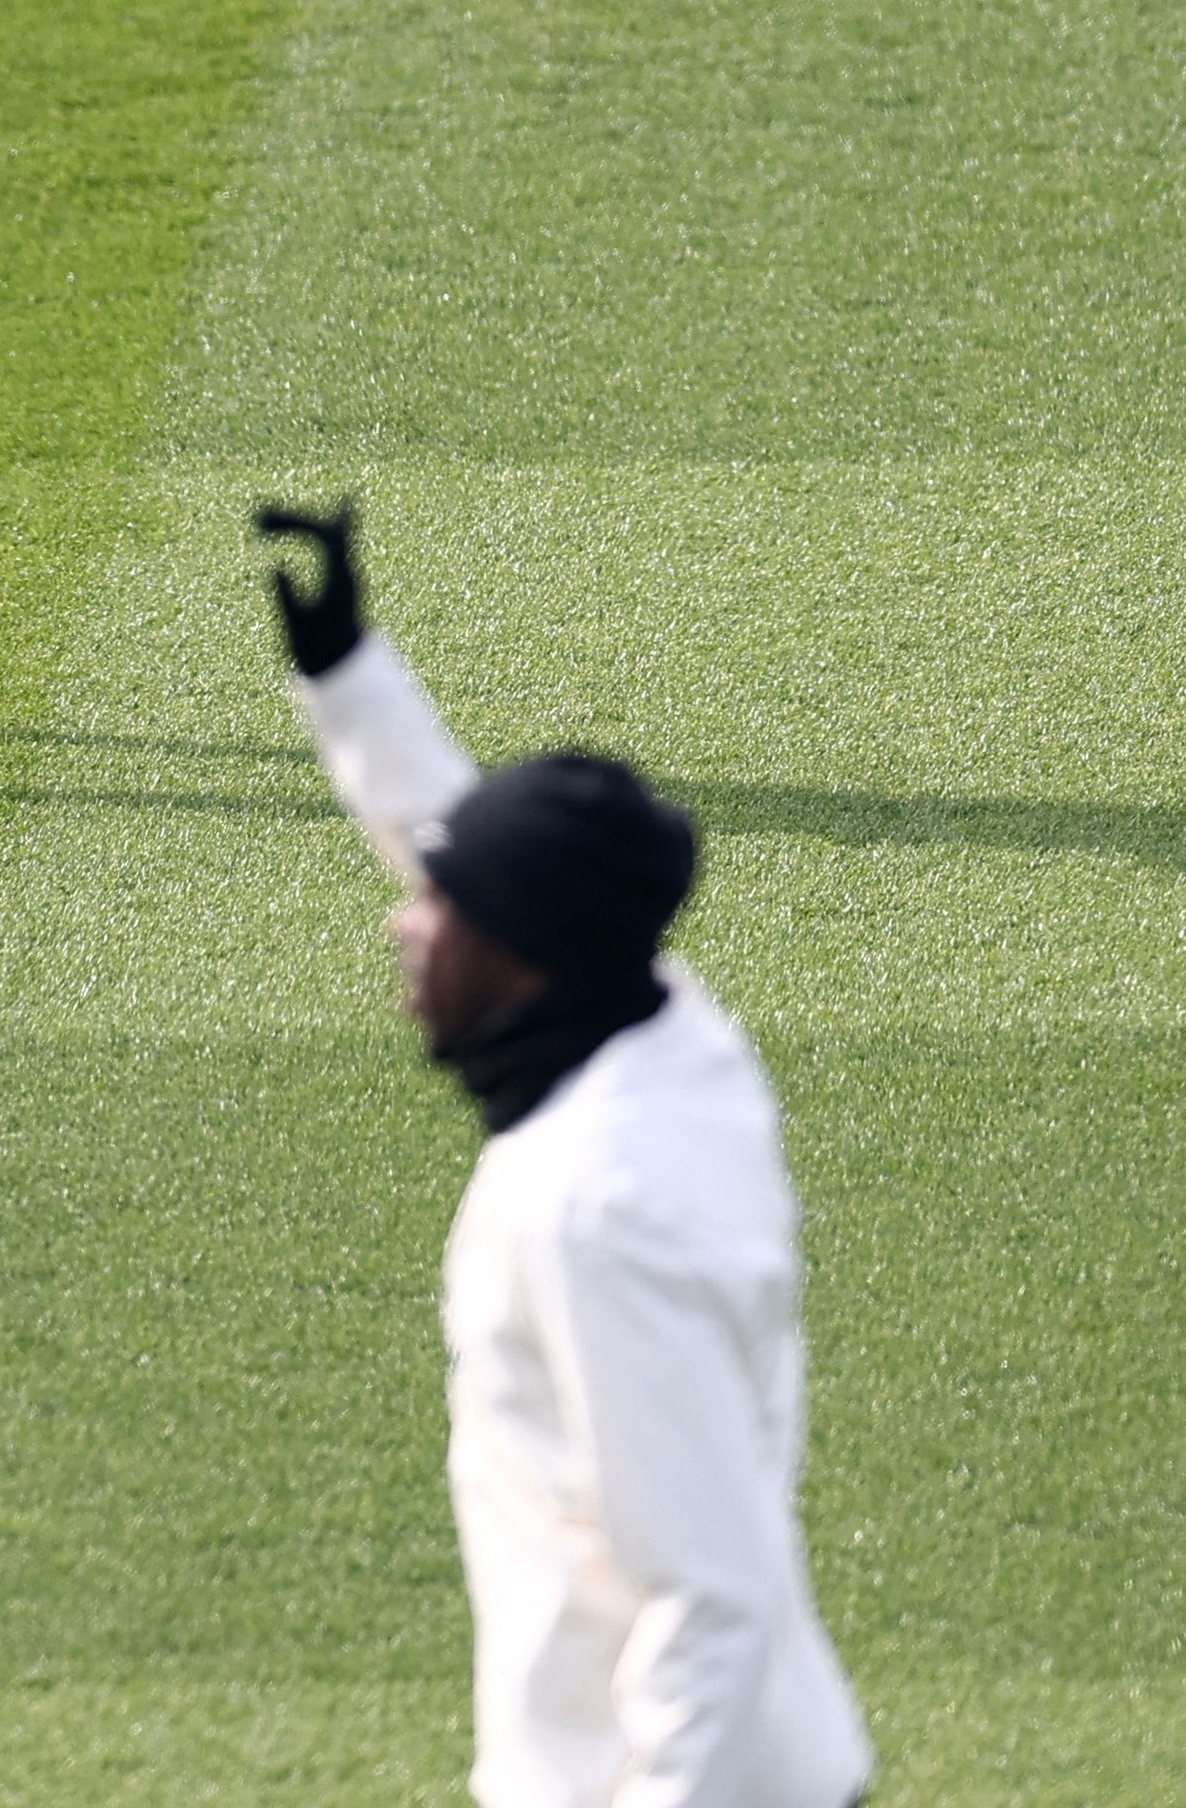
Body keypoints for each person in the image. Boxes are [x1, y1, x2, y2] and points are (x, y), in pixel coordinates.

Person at [260, 502, 873, 1808]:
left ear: (521, 956)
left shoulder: (594, 1211)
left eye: (439, 908)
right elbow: (477, 844)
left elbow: (706, 1592)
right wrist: (347, 675)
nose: (400, 924)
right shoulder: (661, 1028)